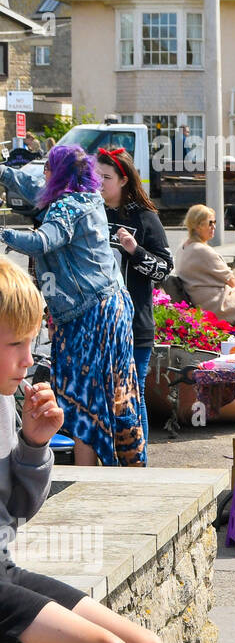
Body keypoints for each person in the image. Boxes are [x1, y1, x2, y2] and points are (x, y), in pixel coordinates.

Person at [0, 258, 165, 643]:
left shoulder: (4, 405)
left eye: (32, 342)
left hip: (4, 568)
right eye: (15, 344)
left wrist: (34, 444)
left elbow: (16, 508)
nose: (29, 360)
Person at [0, 146, 144, 466]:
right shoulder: (85, 198)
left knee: (83, 404)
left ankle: (88, 480)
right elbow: (33, 189)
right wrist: (4, 172)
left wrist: (3, 233)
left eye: (49, 170)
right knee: (111, 398)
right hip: (106, 307)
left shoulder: (68, 206)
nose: (44, 176)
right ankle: (121, 471)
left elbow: (42, 242)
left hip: (91, 315)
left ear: (60, 174)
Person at [98, 147, 172, 454]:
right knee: (101, 396)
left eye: (106, 177)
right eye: (94, 176)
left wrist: (135, 251)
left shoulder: (144, 217)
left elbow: (165, 268)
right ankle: (109, 460)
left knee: (131, 394)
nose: (98, 182)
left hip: (134, 325)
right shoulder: (91, 213)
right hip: (98, 323)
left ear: (123, 179)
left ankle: (138, 462)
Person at [175, 204, 235, 323]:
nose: (214, 226)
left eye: (214, 222)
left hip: (207, 303)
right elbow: (232, 281)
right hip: (221, 305)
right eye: (210, 223)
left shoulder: (183, 247)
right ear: (198, 225)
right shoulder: (201, 250)